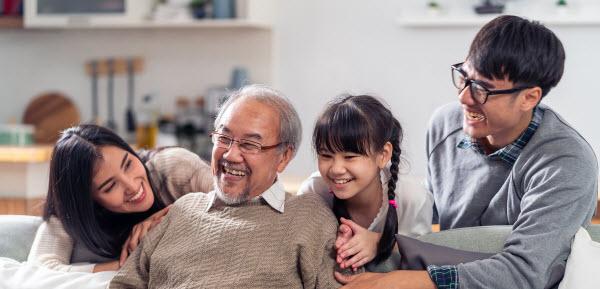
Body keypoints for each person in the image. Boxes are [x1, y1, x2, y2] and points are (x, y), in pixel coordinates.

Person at [335, 15, 598, 289]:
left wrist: (399, 281)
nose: (463, 97)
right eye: (464, 77)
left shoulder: (566, 163)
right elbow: (431, 214)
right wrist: (381, 239)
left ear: (529, 97)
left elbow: (525, 273)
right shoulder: (445, 125)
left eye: (483, 89)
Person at [109, 84, 354, 288]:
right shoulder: (181, 211)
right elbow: (124, 285)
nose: (231, 154)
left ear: (284, 157)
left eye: (250, 144)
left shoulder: (309, 218)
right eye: (224, 138)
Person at [27, 124, 213, 273]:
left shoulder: (174, 167)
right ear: (88, 201)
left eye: (129, 164)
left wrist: (166, 222)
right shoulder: (71, 212)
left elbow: (237, 210)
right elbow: (41, 268)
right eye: (110, 186)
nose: (132, 186)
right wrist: (127, 265)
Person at [297, 94, 433, 271]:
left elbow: (424, 264)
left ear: (383, 155)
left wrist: (382, 243)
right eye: (326, 156)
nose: (336, 169)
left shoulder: (412, 198)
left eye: (350, 157)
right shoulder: (314, 191)